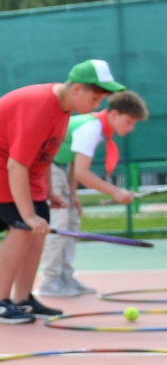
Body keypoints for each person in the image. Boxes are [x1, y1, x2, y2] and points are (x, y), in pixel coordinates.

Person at [0, 60, 124, 324]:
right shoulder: (40, 107)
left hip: (17, 165)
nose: (97, 106)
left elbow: (43, 152)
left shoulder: (64, 109)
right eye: (95, 98)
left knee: (40, 226)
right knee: (23, 226)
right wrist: (27, 215)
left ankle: (23, 299)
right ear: (77, 89)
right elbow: (17, 164)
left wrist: (48, 193)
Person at [39, 90, 149, 297]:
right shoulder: (91, 128)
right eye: (129, 121)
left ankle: (65, 277)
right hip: (46, 166)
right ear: (114, 114)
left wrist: (73, 196)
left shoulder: (96, 128)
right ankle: (50, 280)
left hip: (58, 167)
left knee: (72, 220)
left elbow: (74, 162)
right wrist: (115, 192)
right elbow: (82, 172)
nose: (131, 127)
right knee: (59, 223)